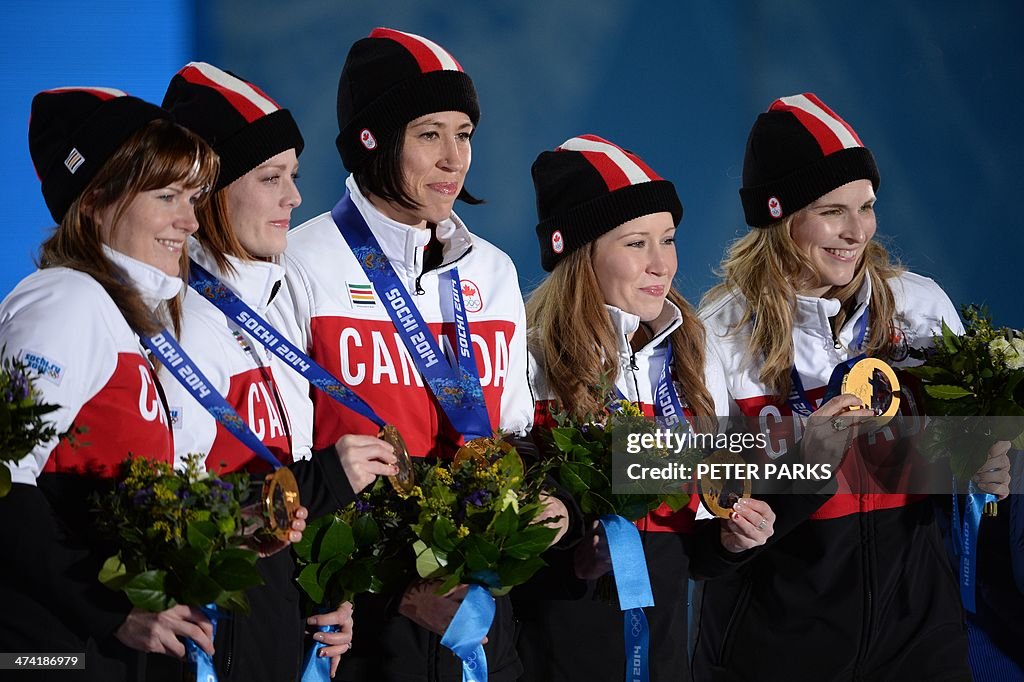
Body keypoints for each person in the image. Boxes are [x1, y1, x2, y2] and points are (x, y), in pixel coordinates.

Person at [275, 27, 569, 682]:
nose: (454, 158)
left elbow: (514, 435)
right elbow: (285, 457)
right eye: (429, 134)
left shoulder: (491, 272)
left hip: (479, 609)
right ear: (373, 140)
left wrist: (541, 507)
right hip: (353, 621)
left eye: (463, 133)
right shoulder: (302, 263)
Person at [693, 92, 1012, 681]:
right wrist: (801, 466)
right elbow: (702, 539)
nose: (856, 231)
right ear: (779, 216)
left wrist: (993, 464)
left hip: (919, 647)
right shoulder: (718, 336)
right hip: (777, 654)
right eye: (831, 211)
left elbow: (973, 456)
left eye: (866, 206)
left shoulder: (919, 307)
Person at [515, 134, 776, 681]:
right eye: (636, 244)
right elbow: (501, 546)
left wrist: (731, 541)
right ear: (581, 253)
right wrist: (570, 563)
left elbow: (691, 548)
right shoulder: (527, 356)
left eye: (669, 239)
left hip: (662, 662)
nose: (662, 264)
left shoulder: (692, 355)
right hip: (550, 660)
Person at [0, 87, 221, 681]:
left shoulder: (126, 320)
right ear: (96, 199)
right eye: (167, 195)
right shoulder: (67, 300)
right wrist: (109, 609)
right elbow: (2, 478)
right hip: (49, 653)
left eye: (192, 197)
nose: (190, 220)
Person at [161, 62, 370, 681]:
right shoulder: (177, 316)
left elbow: (282, 489)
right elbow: (166, 502)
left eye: (294, 176)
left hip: (276, 630)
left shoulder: (276, 298)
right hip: (211, 641)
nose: (295, 198)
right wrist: (328, 480)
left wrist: (325, 589)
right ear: (210, 191)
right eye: (270, 177)